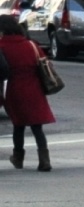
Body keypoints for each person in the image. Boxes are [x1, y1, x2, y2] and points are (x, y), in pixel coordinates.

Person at [0, 14, 54, 172]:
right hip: (34, 88)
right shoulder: (31, 45)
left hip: (13, 89)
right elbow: (43, 62)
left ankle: (18, 157)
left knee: (19, 125)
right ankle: (44, 160)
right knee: (37, 127)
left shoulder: (1, 46)